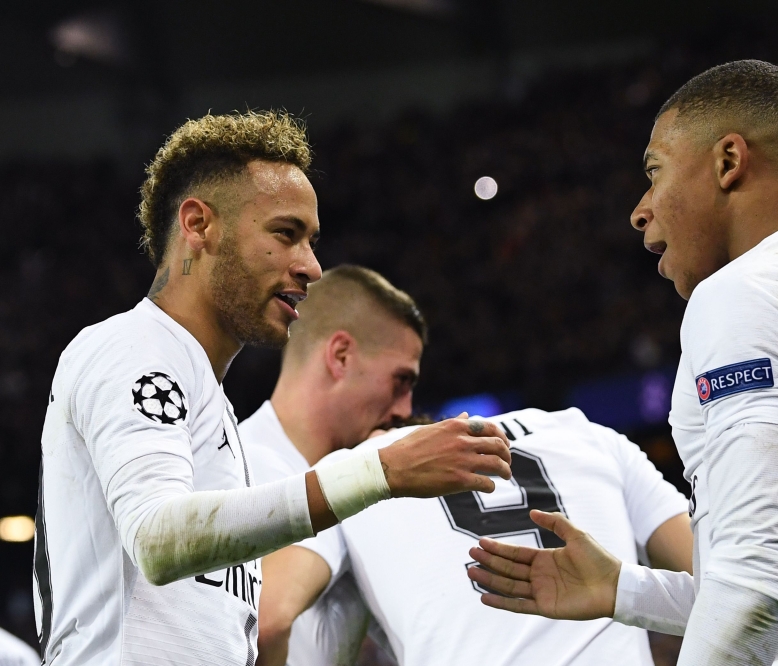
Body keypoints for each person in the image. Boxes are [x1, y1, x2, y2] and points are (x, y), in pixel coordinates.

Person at [468, 60, 778, 665]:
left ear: (728, 162)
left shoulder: (747, 292)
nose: (640, 208)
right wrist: (624, 589)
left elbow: (758, 588)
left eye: (655, 172)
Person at [33, 110, 511, 666]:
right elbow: (159, 541)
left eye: (310, 240)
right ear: (198, 225)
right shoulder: (132, 347)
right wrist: (379, 473)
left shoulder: (215, 413)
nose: (310, 265)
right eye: (286, 234)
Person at [253, 406, 692, 666]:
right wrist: (626, 591)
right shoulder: (590, 434)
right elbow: (733, 591)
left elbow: (269, 619)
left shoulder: (350, 469)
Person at [241, 264, 428, 666]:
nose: (405, 410)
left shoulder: (370, 489)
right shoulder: (229, 472)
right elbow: (265, 625)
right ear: (340, 356)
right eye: (401, 382)